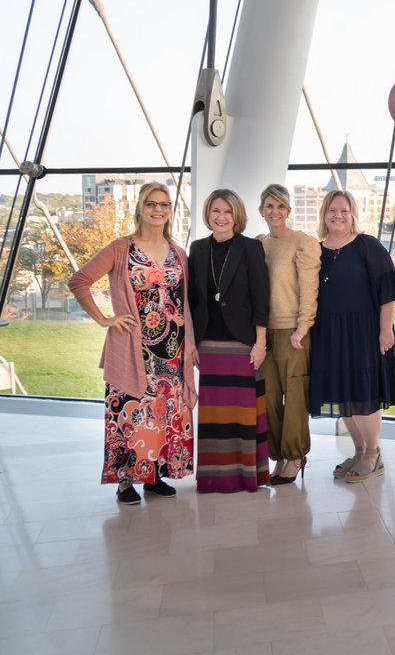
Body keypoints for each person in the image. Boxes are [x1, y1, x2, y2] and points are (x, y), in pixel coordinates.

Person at [68, 182, 195, 505]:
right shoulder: (120, 248)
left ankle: (154, 476)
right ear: (140, 208)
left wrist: (190, 344)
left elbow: (186, 302)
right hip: (132, 348)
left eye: (164, 204)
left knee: (162, 412)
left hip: (172, 351)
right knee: (130, 412)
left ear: (170, 211)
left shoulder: (179, 253)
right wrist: (104, 319)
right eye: (151, 203)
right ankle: (125, 482)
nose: (158, 209)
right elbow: (79, 281)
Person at [309, 189, 395, 483]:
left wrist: (385, 331)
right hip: (328, 335)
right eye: (332, 210)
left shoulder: (367, 245)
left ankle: (374, 454)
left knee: (363, 393)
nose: (338, 216)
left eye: (344, 211)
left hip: (363, 334)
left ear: (353, 215)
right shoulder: (316, 250)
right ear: (324, 214)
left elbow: (388, 291)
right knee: (341, 396)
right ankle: (359, 451)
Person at [188, 188, 271, 493]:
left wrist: (260, 343)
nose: (221, 217)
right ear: (207, 214)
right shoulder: (197, 249)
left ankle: (247, 476)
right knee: (215, 414)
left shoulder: (250, 248)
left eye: (227, 211)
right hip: (209, 345)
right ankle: (214, 477)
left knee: (244, 414)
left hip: (244, 344)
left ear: (237, 216)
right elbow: (192, 301)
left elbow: (261, 298)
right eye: (216, 211)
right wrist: (192, 343)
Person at [256, 184, 320, 485]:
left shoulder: (302, 243)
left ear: (288, 210)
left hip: (293, 333)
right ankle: (279, 456)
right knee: (269, 398)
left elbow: (309, 289)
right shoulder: (259, 244)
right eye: (270, 206)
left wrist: (302, 328)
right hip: (263, 333)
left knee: (294, 396)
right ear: (261, 210)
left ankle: (295, 455)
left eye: (281, 206)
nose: (275, 212)